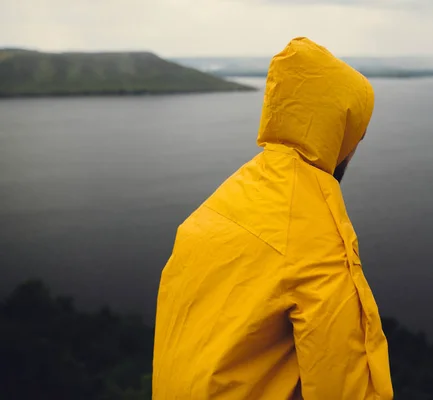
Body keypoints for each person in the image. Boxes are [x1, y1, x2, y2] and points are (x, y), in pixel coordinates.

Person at [153, 37, 393, 399]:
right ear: (339, 130)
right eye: (357, 130)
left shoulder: (220, 203)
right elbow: (346, 385)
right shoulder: (316, 235)